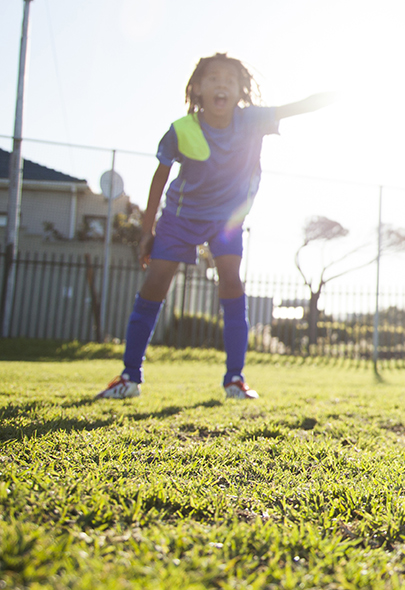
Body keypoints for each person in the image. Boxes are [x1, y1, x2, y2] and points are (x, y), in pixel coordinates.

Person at [96, 53, 335, 401]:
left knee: (231, 280)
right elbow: (159, 180)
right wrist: (147, 231)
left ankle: (235, 379)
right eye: (212, 78)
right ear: (197, 89)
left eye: (229, 79)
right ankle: (129, 377)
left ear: (240, 90)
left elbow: (297, 106)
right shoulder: (181, 129)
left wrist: (340, 94)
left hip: (226, 218)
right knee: (156, 282)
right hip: (180, 216)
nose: (221, 83)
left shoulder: (252, 120)